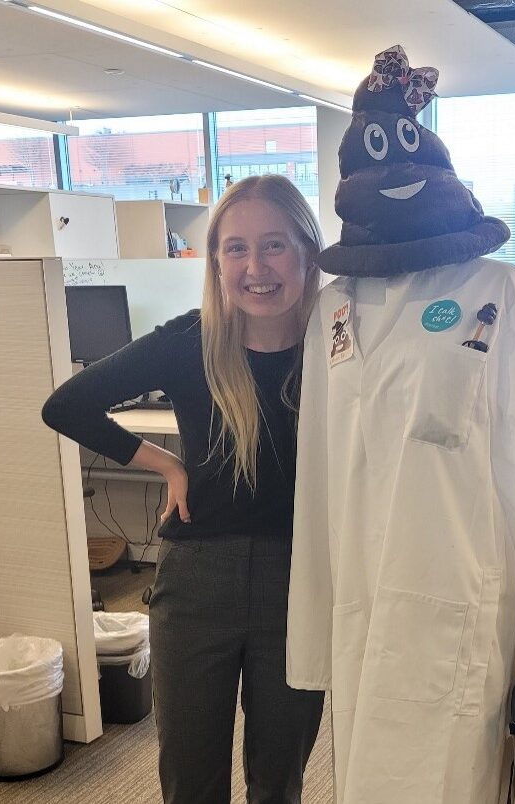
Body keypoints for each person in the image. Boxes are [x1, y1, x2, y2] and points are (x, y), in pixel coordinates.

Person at [286, 46, 515, 803]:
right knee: (362, 775)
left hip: (455, 582)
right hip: (360, 589)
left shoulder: (499, 290)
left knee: (449, 776)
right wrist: (311, 635)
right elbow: (317, 478)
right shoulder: (333, 308)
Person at [41, 174, 325, 804]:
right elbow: (67, 405)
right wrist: (167, 465)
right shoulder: (188, 340)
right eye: (235, 248)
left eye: (275, 245)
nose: (256, 267)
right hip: (197, 579)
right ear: (217, 260)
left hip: (301, 581)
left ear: (308, 252)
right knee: (191, 780)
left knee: (279, 779)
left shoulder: (339, 347)